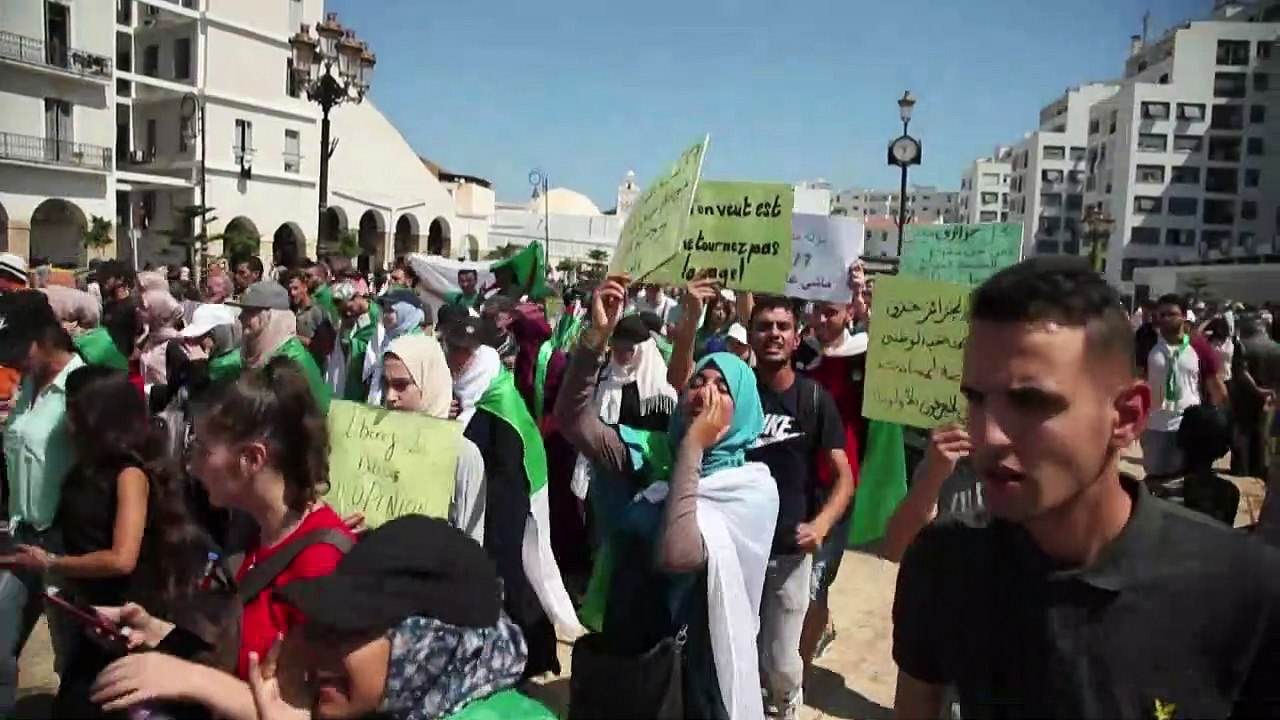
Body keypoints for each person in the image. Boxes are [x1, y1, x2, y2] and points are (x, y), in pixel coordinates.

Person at [892, 256, 1280, 718]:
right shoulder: (946, 562)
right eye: (976, 399)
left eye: (1030, 402)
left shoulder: (1244, 590)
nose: (989, 435)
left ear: (1128, 416)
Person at [556, 274, 778, 719]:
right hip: (627, 662)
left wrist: (694, 448)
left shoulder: (751, 488)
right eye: (699, 382)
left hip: (691, 678)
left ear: (747, 412)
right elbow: (573, 420)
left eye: (722, 388)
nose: (704, 393)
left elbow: (677, 555)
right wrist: (594, 340)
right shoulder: (651, 452)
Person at [89, 360, 356, 718]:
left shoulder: (322, 561)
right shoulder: (250, 534)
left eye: (201, 450)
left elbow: (310, 714)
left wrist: (190, 678)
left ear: (251, 459)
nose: (191, 465)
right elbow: (242, 655)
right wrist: (155, 630)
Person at [12, 367, 209, 717]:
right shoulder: (85, 469)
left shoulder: (129, 474)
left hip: (123, 622)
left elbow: (122, 558)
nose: (67, 420)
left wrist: (52, 563)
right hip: (88, 615)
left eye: (74, 409)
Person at [443, 316, 579, 678]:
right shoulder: (461, 388)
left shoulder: (496, 395)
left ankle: (538, 654)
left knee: (514, 573)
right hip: (480, 494)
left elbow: (508, 459)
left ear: (479, 352)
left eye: (465, 352)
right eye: (452, 349)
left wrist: (498, 517)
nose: (457, 358)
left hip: (506, 496)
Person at [738, 294, 853, 720]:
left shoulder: (814, 399)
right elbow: (682, 389)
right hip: (739, 550)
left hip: (790, 551)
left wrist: (821, 525)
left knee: (783, 660)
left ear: (796, 336)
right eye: (764, 326)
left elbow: (844, 478)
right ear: (750, 335)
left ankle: (786, 705)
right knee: (738, 650)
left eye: (782, 327)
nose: (773, 334)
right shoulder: (735, 390)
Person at [0, 290, 85, 715]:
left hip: (61, 542)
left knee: (68, 653)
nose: (12, 361)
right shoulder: (26, 387)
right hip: (20, 536)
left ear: (45, 336)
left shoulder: (81, 387)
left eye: (19, 350)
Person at [381, 334, 486, 543]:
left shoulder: (462, 454)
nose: (390, 397)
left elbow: (470, 542)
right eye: (386, 384)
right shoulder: (375, 440)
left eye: (401, 385)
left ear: (429, 383)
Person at [1141, 294, 1227, 479]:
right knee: (1154, 478)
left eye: (1171, 314)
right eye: (1161, 315)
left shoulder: (1199, 346)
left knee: (1182, 480)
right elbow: (1136, 378)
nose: (1165, 319)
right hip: (1155, 425)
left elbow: (1215, 387)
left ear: (1184, 316)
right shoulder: (1147, 344)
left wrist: (1215, 420)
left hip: (1187, 427)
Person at [230, 280, 330, 412]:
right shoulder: (263, 352)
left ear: (271, 317)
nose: (241, 317)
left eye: (250, 311)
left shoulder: (291, 361)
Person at [365, 288, 426, 405]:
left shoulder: (418, 344)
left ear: (406, 312)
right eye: (384, 311)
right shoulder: (388, 340)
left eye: (391, 311)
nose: (385, 316)